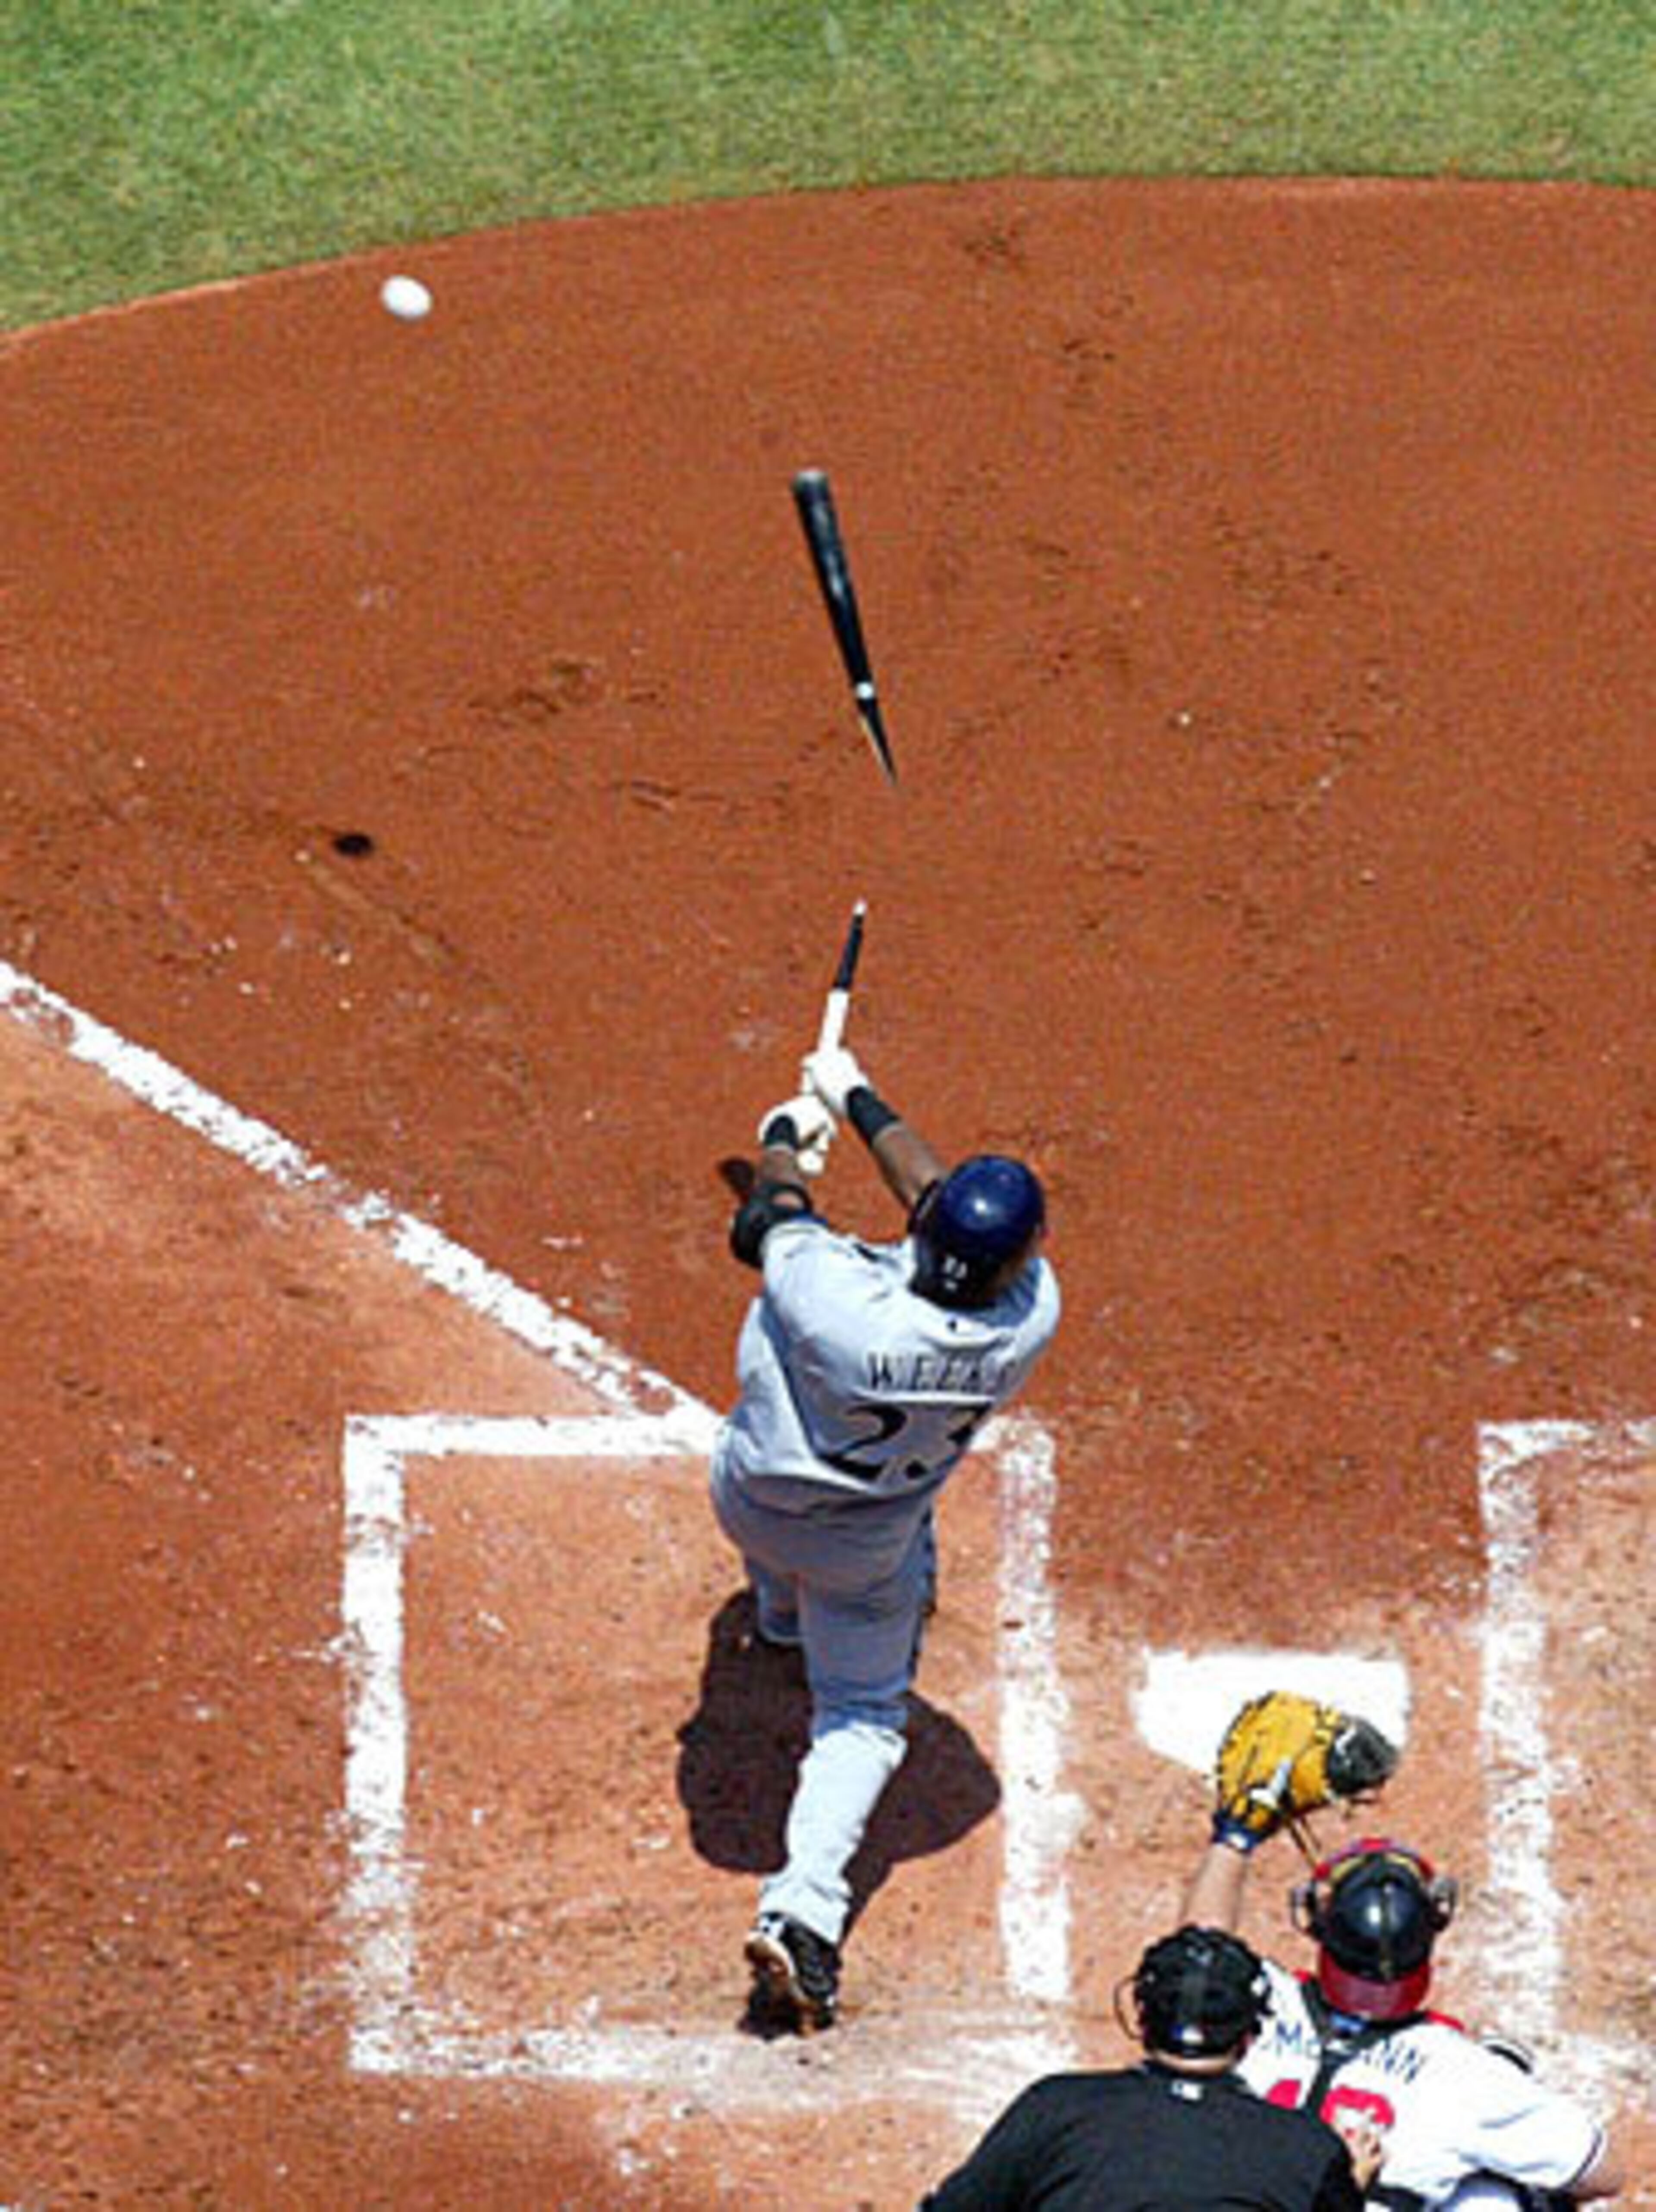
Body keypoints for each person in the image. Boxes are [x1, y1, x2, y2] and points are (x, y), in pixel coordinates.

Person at [712, 1038, 1060, 2032]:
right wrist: (859, 1096)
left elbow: (765, 1221)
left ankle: (777, 1617)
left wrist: (786, 1138)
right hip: (870, 1543)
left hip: (752, 1498)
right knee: (860, 1712)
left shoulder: (831, 1301)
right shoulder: (1029, 1317)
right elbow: (934, 1198)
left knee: (775, 1521)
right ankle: (800, 1910)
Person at [1181, 1815, 1626, 2208]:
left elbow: (1194, 1955)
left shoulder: (1258, 2005)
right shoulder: (1468, 2075)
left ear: (1322, 1932)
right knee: (1494, 2198)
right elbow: (1602, 2173)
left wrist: (1234, 1837)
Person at [919, 1922, 1378, 2209]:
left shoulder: (1055, 2107)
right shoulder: (1306, 2150)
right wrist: (1348, 2183)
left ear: (1142, 2015)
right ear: (1249, 2034)